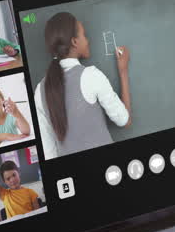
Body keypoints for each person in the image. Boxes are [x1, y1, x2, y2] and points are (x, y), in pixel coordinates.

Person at [34, 12, 132, 159]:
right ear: (74, 41)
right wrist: (123, 71)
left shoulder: (39, 91)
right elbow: (125, 120)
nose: (88, 41)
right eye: (84, 35)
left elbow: (49, 153)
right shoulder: (90, 76)